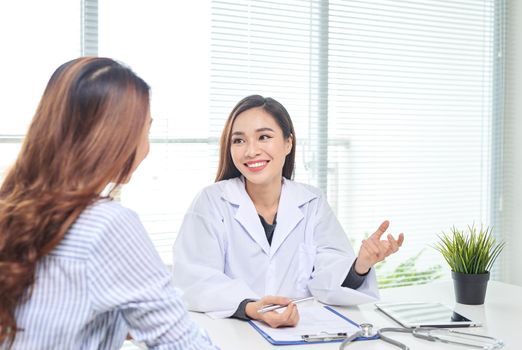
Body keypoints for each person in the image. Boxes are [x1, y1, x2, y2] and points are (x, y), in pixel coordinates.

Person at [0, 57, 218, 350]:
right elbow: (183, 344)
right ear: (115, 136)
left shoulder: (13, 205)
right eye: (146, 129)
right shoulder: (106, 223)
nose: (147, 147)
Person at [172, 94, 405, 328]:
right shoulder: (212, 202)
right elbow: (194, 280)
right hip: (235, 332)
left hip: (303, 332)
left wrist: (360, 265)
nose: (251, 151)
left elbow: (328, 276)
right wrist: (254, 308)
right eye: (239, 140)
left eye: (264, 137)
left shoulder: (312, 202)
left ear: (288, 143)